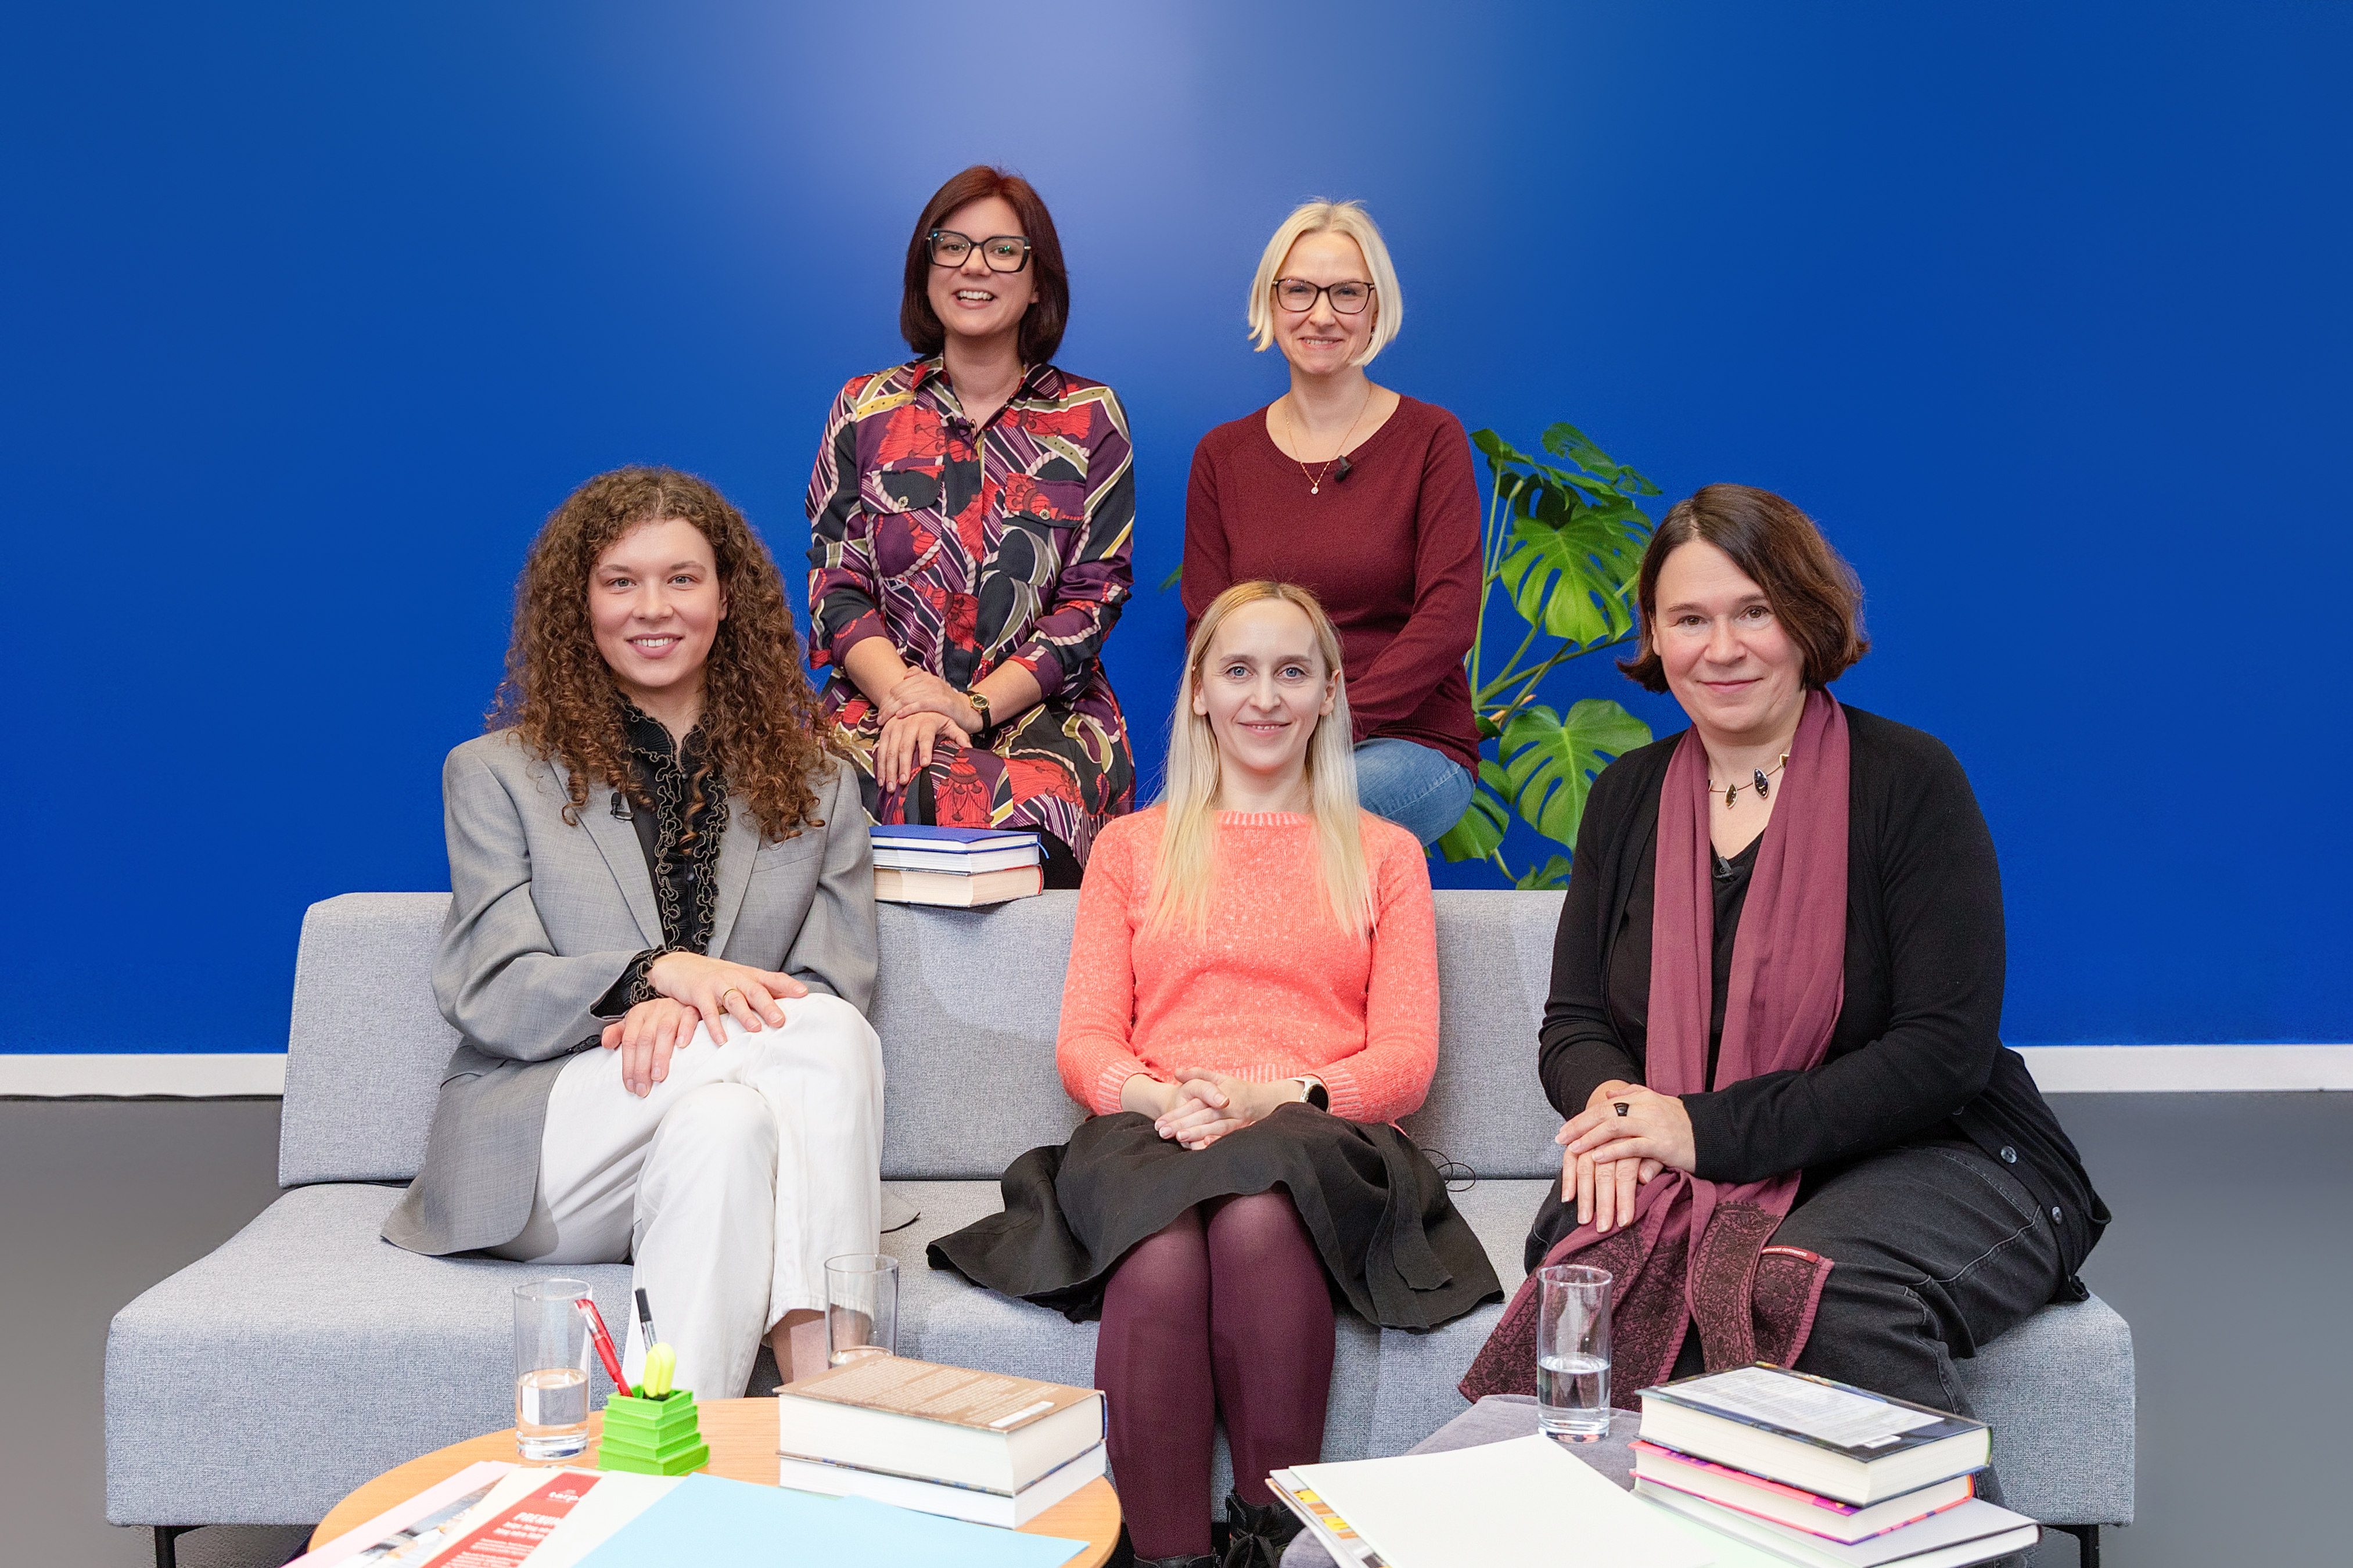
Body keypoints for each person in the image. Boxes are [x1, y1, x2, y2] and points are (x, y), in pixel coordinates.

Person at [1460, 485, 2107, 1508]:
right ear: (1654, 638)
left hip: (1934, 1148)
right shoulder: (1626, 795)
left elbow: (1940, 1051)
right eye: (1689, 619)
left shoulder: (1908, 780)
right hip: (1689, 1142)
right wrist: (1623, 1113)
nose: (1721, 648)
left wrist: (1696, 1130)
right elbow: (1574, 1024)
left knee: (1807, 1285)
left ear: (1805, 617)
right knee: (1592, 1257)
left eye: (1751, 611)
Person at [930, 581, 1500, 1568]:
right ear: (1199, 690)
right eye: (1238, 671)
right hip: (1157, 1122)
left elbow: (1404, 1063)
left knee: (1255, 1216)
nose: (1264, 698)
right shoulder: (1131, 849)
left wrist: (1267, 1097)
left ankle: (1272, 1549)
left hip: (1318, 1133)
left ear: (1328, 693)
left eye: (1292, 673)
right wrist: (1165, 1099)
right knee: (1157, 1250)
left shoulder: (1385, 854)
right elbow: (1087, 1043)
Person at [383, 466, 884, 1400]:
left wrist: (689, 1015)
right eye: (620, 581)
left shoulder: (820, 785)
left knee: (732, 1121)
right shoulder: (494, 775)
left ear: (726, 598)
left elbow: (833, 990)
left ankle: (665, 1450)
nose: (652, 608)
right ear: (582, 604)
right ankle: (834, 1388)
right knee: (815, 1043)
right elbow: (489, 987)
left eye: (681, 579)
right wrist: (653, 976)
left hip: (727, 1128)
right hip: (550, 1149)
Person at [806, 165, 1136, 885]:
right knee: (817, 804)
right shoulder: (865, 409)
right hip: (879, 708)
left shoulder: (1090, 418)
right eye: (952, 246)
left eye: (1003, 250)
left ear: (1038, 280)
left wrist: (967, 707)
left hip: (1038, 717)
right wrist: (907, 700)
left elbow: (1091, 602)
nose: (974, 267)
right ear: (925, 270)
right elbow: (837, 586)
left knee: (1019, 805)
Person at [1181, 200, 1483, 848]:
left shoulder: (1431, 438)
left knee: (1278, 830)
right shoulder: (1222, 455)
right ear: (1271, 302)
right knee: (1160, 846)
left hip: (1407, 743)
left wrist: (1329, 724)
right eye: (1299, 290)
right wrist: (1270, 738)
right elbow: (1207, 630)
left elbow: (1449, 617)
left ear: (1376, 309)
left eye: (1346, 292)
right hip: (1263, 742)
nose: (1321, 314)